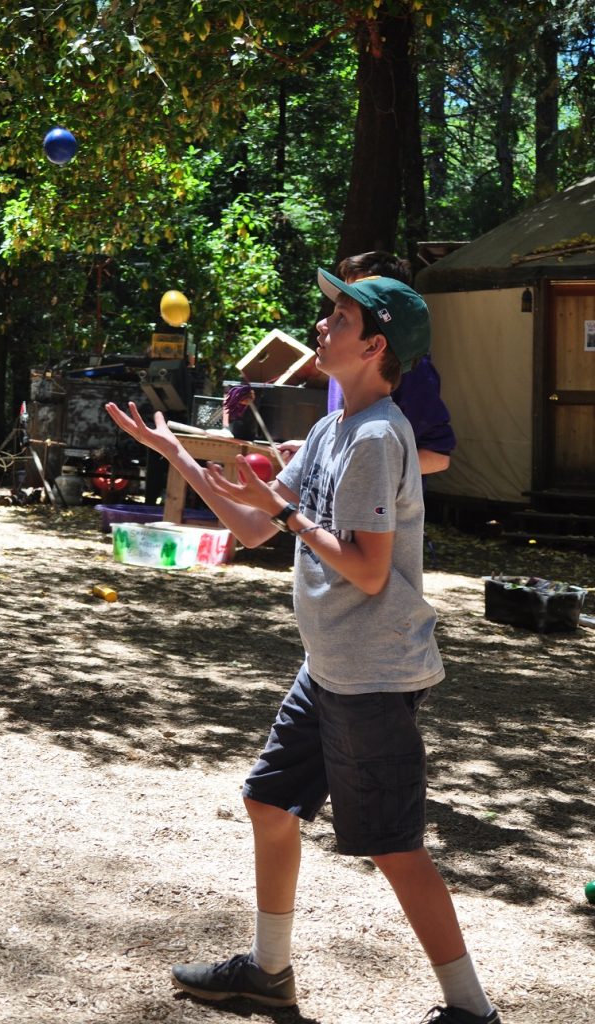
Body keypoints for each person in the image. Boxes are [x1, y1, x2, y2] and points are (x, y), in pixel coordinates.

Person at [104, 269, 501, 1024]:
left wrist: (287, 520)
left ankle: (472, 1011)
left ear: (374, 344)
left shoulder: (381, 436)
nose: (321, 327)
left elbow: (367, 566)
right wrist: (178, 457)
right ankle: (267, 971)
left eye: (339, 318)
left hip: (375, 676)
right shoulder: (329, 429)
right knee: (269, 801)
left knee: (393, 846)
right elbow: (258, 522)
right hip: (329, 668)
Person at [278, 251, 455, 477]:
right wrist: (314, 452)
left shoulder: (411, 372)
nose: (323, 324)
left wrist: (356, 467)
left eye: (347, 313)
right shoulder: (340, 365)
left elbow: (437, 456)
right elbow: (349, 447)